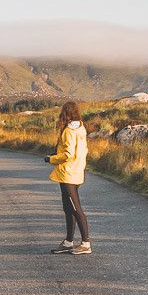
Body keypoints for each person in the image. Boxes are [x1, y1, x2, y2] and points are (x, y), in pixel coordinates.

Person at [45, 101, 91, 255]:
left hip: (68, 174)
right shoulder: (81, 128)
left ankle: (85, 244)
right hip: (77, 171)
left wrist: (51, 159)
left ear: (65, 113)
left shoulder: (69, 131)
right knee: (68, 208)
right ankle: (68, 242)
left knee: (76, 209)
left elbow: (68, 154)